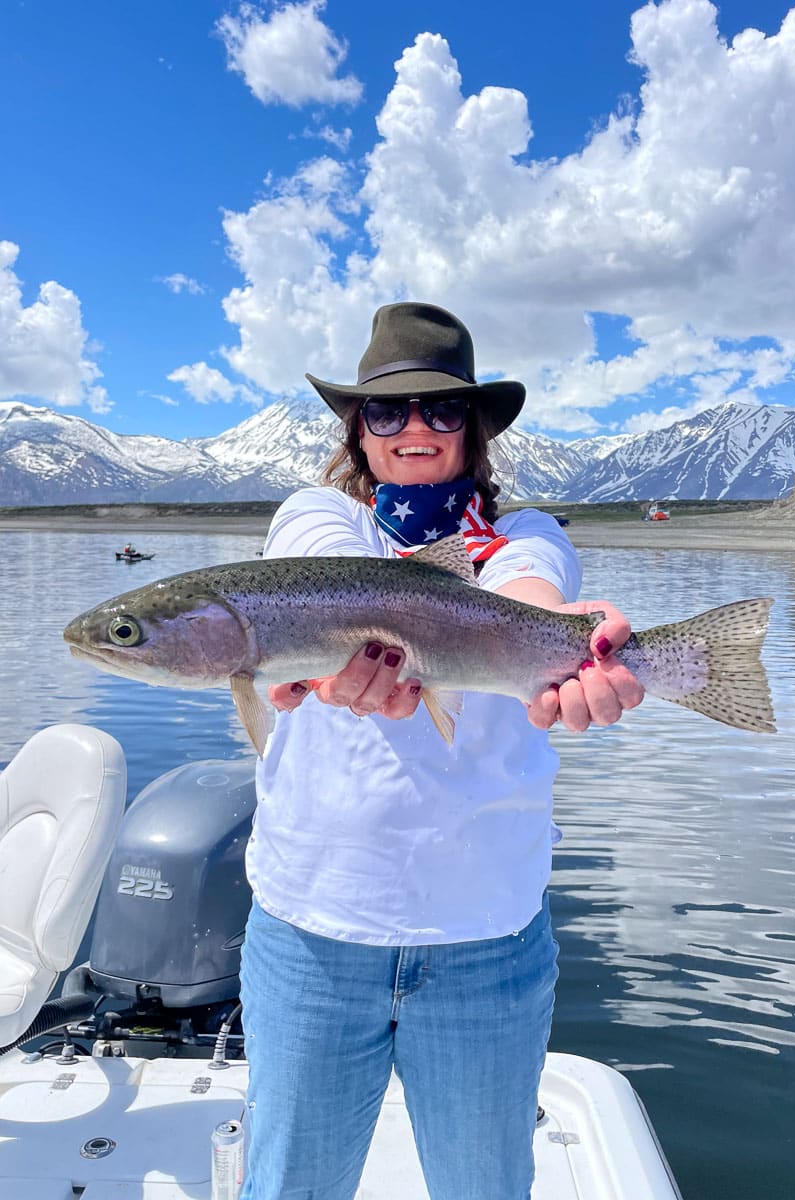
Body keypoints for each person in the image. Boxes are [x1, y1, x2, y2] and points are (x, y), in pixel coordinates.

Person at [239, 302, 644, 1200]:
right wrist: (352, 634)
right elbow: (319, 563)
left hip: (485, 943)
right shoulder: (317, 520)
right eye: (387, 412)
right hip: (312, 935)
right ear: (358, 432)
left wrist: (561, 633)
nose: (413, 428)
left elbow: (529, 587)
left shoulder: (528, 537)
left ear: (474, 428)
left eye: (440, 409)